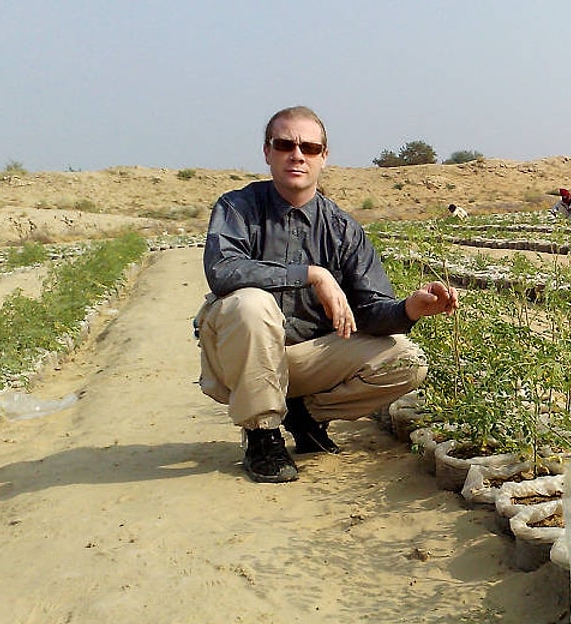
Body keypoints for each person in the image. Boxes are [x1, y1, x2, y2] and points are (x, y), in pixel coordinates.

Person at [196, 106, 458, 484]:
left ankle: (304, 415)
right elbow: (223, 270)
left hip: (306, 360)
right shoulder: (238, 208)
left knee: (405, 359)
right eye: (285, 145)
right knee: (251, 303)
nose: (297, 155)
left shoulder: (342, 228)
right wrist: (310, 274)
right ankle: (262, 435)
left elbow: (369, 309)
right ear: (267, 152)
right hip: (238, 358)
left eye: (309, 147)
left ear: (324, 156)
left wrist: (410, 308)